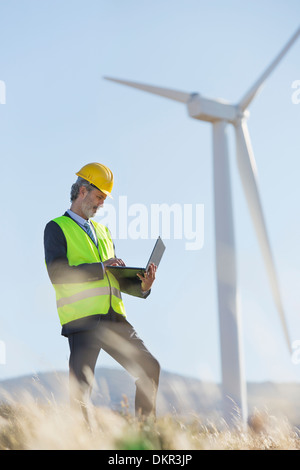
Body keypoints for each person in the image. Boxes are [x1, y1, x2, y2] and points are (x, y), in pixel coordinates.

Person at [44, 162, 160, 420]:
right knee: (80, 392)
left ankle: (143, 438)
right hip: (83, 321)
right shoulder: (56, 228)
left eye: (104, 199)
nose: (101, 204)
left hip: (114, 318)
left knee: (150, 368)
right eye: (99, 197)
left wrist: (143, 286)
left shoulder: (103, 232)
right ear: (82, 191)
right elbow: (57, 273)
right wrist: (100, 267)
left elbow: (114, 277)